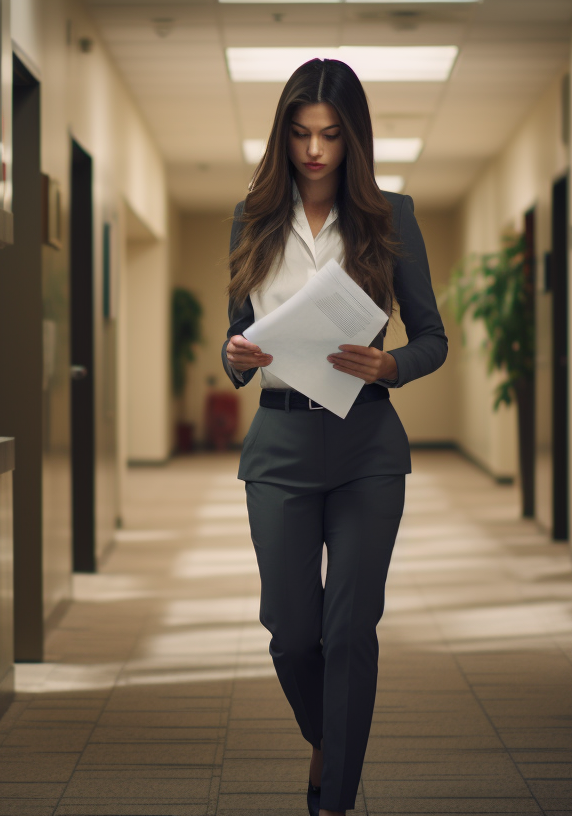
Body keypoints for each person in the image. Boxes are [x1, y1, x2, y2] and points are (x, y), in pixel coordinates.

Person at [221, 58, 447, 816]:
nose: (314, 150)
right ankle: (329, 736)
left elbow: (434, 340)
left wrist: (389, 363)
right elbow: (236, 345)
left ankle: (335, 797)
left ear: (354, 139)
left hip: (365, 447)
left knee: (350, 629)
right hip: (279, 449)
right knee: (291, 633)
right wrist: (236, 356)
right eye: (301, 133)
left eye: (330, 135)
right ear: (283, 134)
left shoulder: (392, 215)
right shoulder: (249, 219)